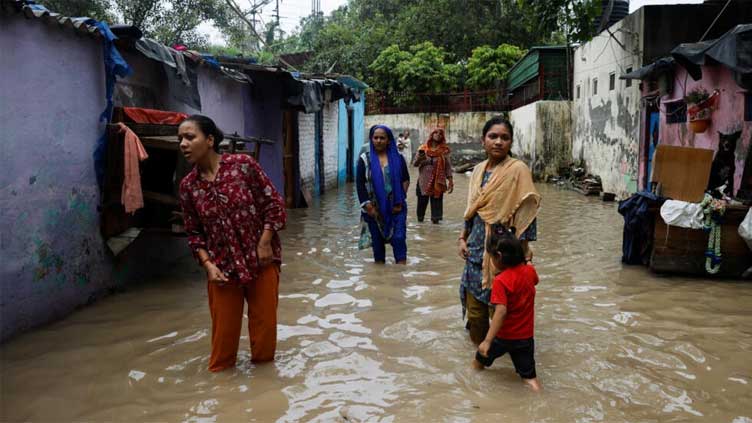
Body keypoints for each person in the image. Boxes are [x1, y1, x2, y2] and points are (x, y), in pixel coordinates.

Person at [178, 115, 287, 372]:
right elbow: (194, 233)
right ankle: (222, 399)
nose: (183, 144)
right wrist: (208, 265)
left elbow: (274, 204)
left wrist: (265, 241)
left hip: (261, 262)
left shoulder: (243, 166)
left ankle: (263, 395)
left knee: (264, 342)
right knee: (222, 350)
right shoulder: (188, 187)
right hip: (222, 269)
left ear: (210, 140)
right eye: (180, 139)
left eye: (190, 137)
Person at [458, 116, 540, 345]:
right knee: (476, 316)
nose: (498, 142)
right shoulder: (477, 172)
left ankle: (499, 358)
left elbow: (528, 211)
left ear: (511, 142)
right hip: (475, 252)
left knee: (503, 316)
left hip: (505, 256)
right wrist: (462, 238)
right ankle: (479, 362)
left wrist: (524, 252)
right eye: (493, 136)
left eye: (504, 137)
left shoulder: (518, 171)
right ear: (483, 140)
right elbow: (471, 210)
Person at [472, 224, 542, 392]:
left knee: (478, 362)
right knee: (529, 378)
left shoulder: (501, 281)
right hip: (525, 337)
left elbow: (501, 311)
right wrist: (529, 261)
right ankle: (539, 397)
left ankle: (470, 390)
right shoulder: (529, 272)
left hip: (504, 337)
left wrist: (487, 341)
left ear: (499, 257)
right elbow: (534, 277)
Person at [356, 124, 410, 264]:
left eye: (382, 138)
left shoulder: (398, 158)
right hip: (374, 210)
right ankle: (379, 280)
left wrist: (399, 199)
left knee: (399, 239)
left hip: (396, 208)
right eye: (375, 138)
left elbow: (405, 180)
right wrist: (369, 207)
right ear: (371, 139)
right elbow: (360, 184)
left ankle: (401, 275)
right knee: (378, 247)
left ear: (388, 140)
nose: (378, 141)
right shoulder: (364, 159)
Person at [413, 128, 454, 223]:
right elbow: (415, 164)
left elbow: (447, 167)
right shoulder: (423, 148)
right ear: (432, 134)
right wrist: (420, 157)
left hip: (438, 183)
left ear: (442, 137)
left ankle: (436, 231)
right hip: (423, 182)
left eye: (440, 133)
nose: (438, 135)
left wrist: (450, 181)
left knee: (436, 215)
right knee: (421, 208)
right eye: (436, 132)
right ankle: (421, 229)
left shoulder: (444, 151)